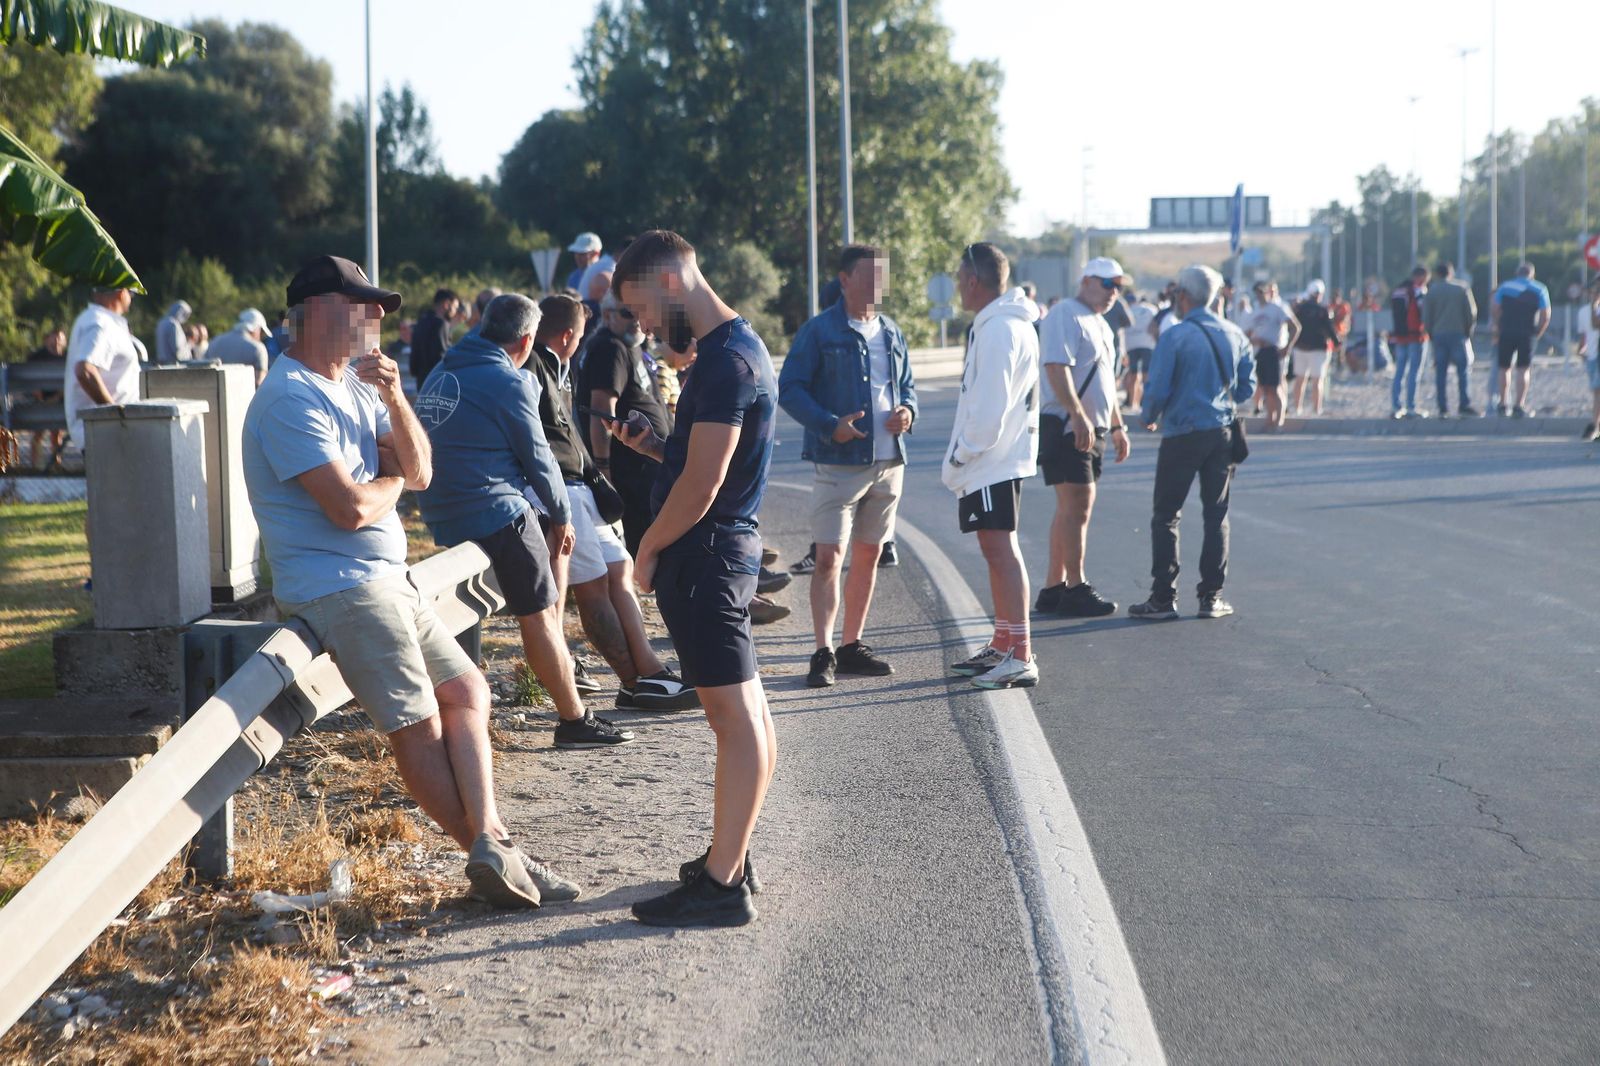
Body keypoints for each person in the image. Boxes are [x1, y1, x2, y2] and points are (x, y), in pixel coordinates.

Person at [242, 256, 566, 909]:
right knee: (419, 728)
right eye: (362, 303)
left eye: (381, 306)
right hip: (343, 585)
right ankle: (499, 859)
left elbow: (421, 471)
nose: (378, 317)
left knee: (469, 688)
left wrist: (393, 397)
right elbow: (351, 508)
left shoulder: (359, 386)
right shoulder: (287, 396)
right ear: (313, 311)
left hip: (389, 579)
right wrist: (389, 482)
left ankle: (494, 846)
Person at [606, 229, 777, 927]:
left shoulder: (724, 364)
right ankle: (730, 858)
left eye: (641, 308)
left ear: (671, 282)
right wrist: (657, 450)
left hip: (705, 559)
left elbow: (704, 484)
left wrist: (646, 550)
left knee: (734, 724)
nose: (641, 326)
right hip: (725, 553)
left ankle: (721, 884)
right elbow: (703, 465)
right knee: (751, 719)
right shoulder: (737, 350)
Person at [412, 294, 634, 752]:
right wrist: (562, 517)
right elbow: (541, 460)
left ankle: (557, 694)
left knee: (531, 599)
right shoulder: (508, 381)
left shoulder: (442, 371)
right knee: (541, 616)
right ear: (527, 339)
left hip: (440, 514)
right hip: (493, 511)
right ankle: (574, 718)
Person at [529, 293, 698, 710]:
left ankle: (651, 672)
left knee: (620, 567)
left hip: (580, 483)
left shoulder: (559, 364)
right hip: (557, 488)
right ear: (569, 334)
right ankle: (632, 682)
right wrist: (600, 464)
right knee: (592, 587)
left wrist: (593, 473)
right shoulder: (531, 365)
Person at [778, 244, 917, 688]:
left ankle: (851, 645)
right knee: (827, 558)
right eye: (870, 275)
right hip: (838, 463)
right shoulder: (819, 331)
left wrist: (908, 412)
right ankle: (822, 651)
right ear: (845, 279)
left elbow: (907, 388)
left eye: (883, 276)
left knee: (869, 555)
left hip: (889, 462)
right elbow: (791, 389)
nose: (879, 284)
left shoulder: (892, 331)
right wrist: (828, 425)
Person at [1131, 264, 1255, 621]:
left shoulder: (1175, 336)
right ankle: (1211, 597)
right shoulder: (1236, 335)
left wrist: (1149, 415)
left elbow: (1158, 387)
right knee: (1216, 514)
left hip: (1182, 433)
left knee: (1167, 515)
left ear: (1182, 296)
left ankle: (1162, 597)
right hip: (1222, 433)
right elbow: (1246, 389)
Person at [942, 242, 1040, 690]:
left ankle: (1019, 654)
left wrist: (964, 451)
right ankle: (1004, 644)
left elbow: (989, 406)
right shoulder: (1004, 324)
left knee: (1000, 551)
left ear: (973, 281)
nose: (959, 288)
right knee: (995, 549)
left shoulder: (1000, 329)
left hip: (991, 459)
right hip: (998, 459)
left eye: (961, 279)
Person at [1034, 257, 1131, 618]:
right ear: (1087, 280)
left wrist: (1118, 425)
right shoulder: (1065, 314)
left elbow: (1105, 380)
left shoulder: (1100, 323)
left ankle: (1053, 588)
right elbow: (1055, 367)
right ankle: (1075, 587)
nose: (1114, 293)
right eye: (1108, 284)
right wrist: (1076, 415)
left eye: (1118, 286)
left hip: (1093, 425)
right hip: (1067, 424)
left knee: (1071, 508)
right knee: (1078, 503)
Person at [582, 292, 671, 556]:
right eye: (627, 313)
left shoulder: (632, 345)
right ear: (608, 316)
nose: (636, 320)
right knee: (645, 538)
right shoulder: (610, 348)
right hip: (631, 468)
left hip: (649, 462)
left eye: (640, 313)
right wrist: (603, 467)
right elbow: (601, 410)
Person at [64, 287, 141, 451]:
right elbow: (85, 371)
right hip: (105, 435)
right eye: (131, 293)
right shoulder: (101, 323)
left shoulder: (94, 319)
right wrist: (116, 415)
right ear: (122, 293)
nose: (132, 298)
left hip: (105, 433)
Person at [1490, 262, 1551, 417]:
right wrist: (1538, 332)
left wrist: (1498, 326)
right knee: (1523, 369)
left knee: (1504, 368)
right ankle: (1519, 405)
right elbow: (1545, 315)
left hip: (1506, 331)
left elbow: (1495, 309)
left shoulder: (1505, 287)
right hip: (1527, 333)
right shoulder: (1539, 288)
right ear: (1532, 274)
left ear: (1517, 273)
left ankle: (1503, 404)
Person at [1422, 262, 1479, 417]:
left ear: (1437, 274)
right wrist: (1468, 332)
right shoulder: (1462, 288)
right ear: (1451, 273)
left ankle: (1442, 407)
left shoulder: (1432, 291)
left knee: (1441, 372)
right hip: (1458, 333)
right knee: (1463, 370)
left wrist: (1431, 332)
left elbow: (1426, 317)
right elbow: (1471, 313)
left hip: (1439, 335)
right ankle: (1464, 404)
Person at [1247, 281, 1299, 428]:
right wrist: (1253, 340)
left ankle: (1279, 419)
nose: (1260, 295)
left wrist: (1287, 348)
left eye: (1262, 291)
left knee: (1277, 386)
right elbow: (1250, 332)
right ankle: (1270, 418)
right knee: (1265, 387)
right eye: (1257, 292)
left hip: (1274, 351)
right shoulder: (1256, 310)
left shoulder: (1278, 308)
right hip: (1260, 351)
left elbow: (1295, 327)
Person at [1289, 280, 1337, 415]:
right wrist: (1337, 343)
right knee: (1317, 380)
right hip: (1319, 349)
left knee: (1300, 379)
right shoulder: (1322, 310)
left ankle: (1297, 408)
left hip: (1301, 347)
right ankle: (1317, 408)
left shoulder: (1300, 308)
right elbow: (1329, 328)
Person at [1388, 266, 1430, 418]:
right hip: (1416, 336)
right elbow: (1424, 311)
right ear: (1421, 277)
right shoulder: (1418, 290)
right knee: (1414, 372)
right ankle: (1411, 406)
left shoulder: (1398, 290)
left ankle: (1396, 406)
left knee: (1399, 371)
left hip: (1400, 336)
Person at [23, 328, 68, 467]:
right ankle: (35, 465)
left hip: (59, 400)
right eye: (53, 338)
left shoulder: (68, 357)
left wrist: (58, 396)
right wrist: (41, 398)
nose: (56, 341)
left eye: (60, 338)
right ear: (46, 339)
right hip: (39, 400)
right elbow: (29, 380)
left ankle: (56, 464)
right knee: (38, 434)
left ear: (64, 341)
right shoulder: (36, 357)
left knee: (57, 434)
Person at [207, 308, 271, 386]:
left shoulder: (215, 341)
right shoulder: (258, 348)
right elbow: (259, 383)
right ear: (256, 328)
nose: (260, 336)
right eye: (261, 331)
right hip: (245, 397)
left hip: (215, 396)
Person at [409, 288, 459, 387]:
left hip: (421, 381)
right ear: (446, 304)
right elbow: (442, 356)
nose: (455, 312)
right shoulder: (441, 324)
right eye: (455, 307)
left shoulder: (421, 322)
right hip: (437, 382)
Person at [1122, 292, 1158, 413]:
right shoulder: (1150, 309)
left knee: (1133, 375)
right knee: (1146, 375)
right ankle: (1146, 403)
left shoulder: (1127, 309)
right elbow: (1155, 325)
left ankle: (1133, 403)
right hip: (1147, 344)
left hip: (1131, 344)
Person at [1579, 277, 1600, 441]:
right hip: (1593, 354)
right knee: (1596, 392)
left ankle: (1595, 425)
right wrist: (1582, 349)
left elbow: (1596, 324)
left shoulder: (1593, 309)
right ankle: (1595, 425)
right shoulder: (1584, 311)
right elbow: (1586, 332)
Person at [154, 300, 194, 365]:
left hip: (162, 363)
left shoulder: (161, 323)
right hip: (173, 366)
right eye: (184, 315)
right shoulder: (173, 325)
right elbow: (178, 351)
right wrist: (189, 345)